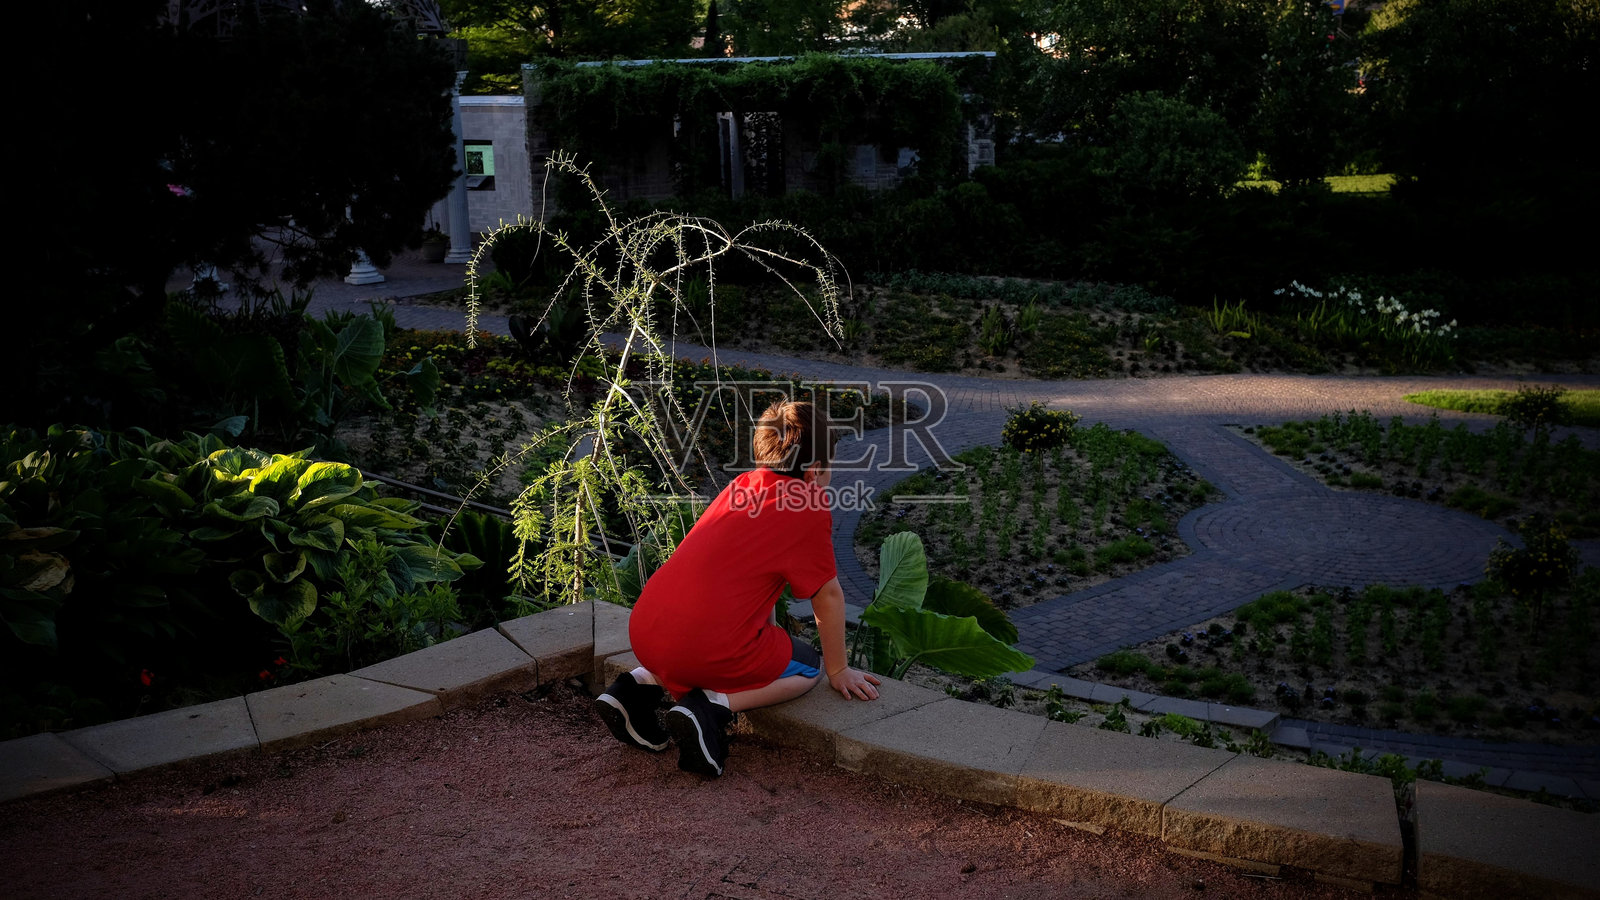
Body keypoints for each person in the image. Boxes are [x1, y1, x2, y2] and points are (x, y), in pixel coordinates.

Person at [594, 399, 881, 776]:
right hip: (707, 651)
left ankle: (633, 688)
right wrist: (839, 669)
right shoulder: (809, 504)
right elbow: (826, 595)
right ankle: (710, 708)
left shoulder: (741, 485)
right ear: (814, 472)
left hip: (645, 634)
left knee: (689, 644)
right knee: (809, 667)